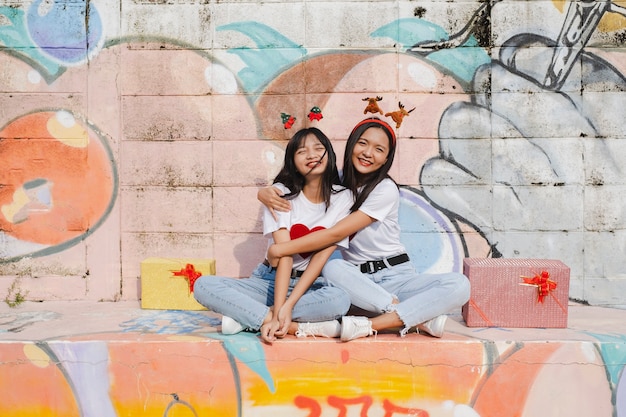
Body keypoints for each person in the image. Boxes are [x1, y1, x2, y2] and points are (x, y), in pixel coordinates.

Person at [259, 117, 471, 341]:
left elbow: (336, 234)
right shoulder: (336, 182)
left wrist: (281, 250)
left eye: (379, 149)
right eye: (363, 143)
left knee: (459, 285)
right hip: (359, 284)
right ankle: (417, 320)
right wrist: (265, 193)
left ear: (386, 159)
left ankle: (370, 325)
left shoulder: (385, 189)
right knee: (333, 268)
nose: (368, 153)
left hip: (398, 277)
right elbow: (296, 182)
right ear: (351, 144)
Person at [194, 127, 354, 344]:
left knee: (339, 300)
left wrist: (288, 306)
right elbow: (285, 256)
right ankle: (284, 324)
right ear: (292, 162)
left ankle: (247, 319)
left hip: (311, 284)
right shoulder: (280, 195)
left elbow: (321, 256)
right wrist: (279, 309)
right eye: (301, 151)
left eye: (318, 148)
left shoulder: (344, 198)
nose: (312, 155)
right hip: (270, 281)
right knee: (204, 286)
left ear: (329, 155)